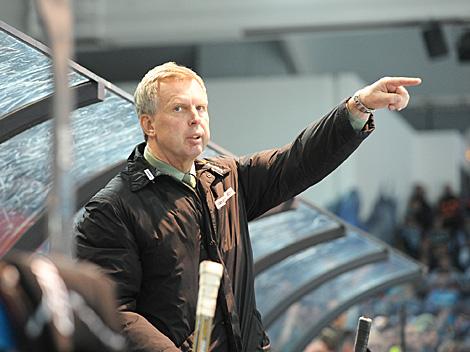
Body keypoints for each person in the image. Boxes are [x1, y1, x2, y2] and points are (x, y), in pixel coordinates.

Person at [74, 62, 421, 352]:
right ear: (148, 124)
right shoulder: (112, 209)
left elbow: (297, 161)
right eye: (179, 108)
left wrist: (357, 108)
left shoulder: (226, 179)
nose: (195, 118)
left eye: (201, 108)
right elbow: (115, 313)